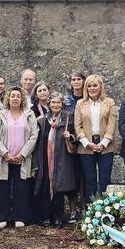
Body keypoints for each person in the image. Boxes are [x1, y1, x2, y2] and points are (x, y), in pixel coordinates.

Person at [0, 86, 39, 229]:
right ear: (8, 98)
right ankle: (1, 218)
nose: (15, 98)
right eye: (13, 96)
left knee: (21, 188)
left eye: (18, 96)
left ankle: (20, 217)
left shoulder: (29, 114)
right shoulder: (0, 114)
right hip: (3, 157)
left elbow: (33, 136)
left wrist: (22, 154)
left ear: (22, 98)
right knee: (1, 187)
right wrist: (5, 153)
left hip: (22, 158)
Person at [33, 92, 79, 225]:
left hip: (62, 158)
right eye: (53, 102)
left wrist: (70, 136)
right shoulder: (42, 121)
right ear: (49, 104)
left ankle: (58, 216)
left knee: (59, 186)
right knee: (46, 185)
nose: (56, 105)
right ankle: (46, 216)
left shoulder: (68, 118)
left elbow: (77, 135)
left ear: (62, 104)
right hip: (45, 158)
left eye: (59, 102)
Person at [74, 75, 118, 201]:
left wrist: (104, 142)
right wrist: (86, 143)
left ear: (100, 87)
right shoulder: (80, 103)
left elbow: (111, 125)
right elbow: (78, 126)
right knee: (90, 180)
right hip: (86, 146)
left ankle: (107, 211)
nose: (92, 88)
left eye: (95, 85)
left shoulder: (109, 102)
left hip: (106, 145)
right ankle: (89, 213)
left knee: (105, 180)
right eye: (89, 86)